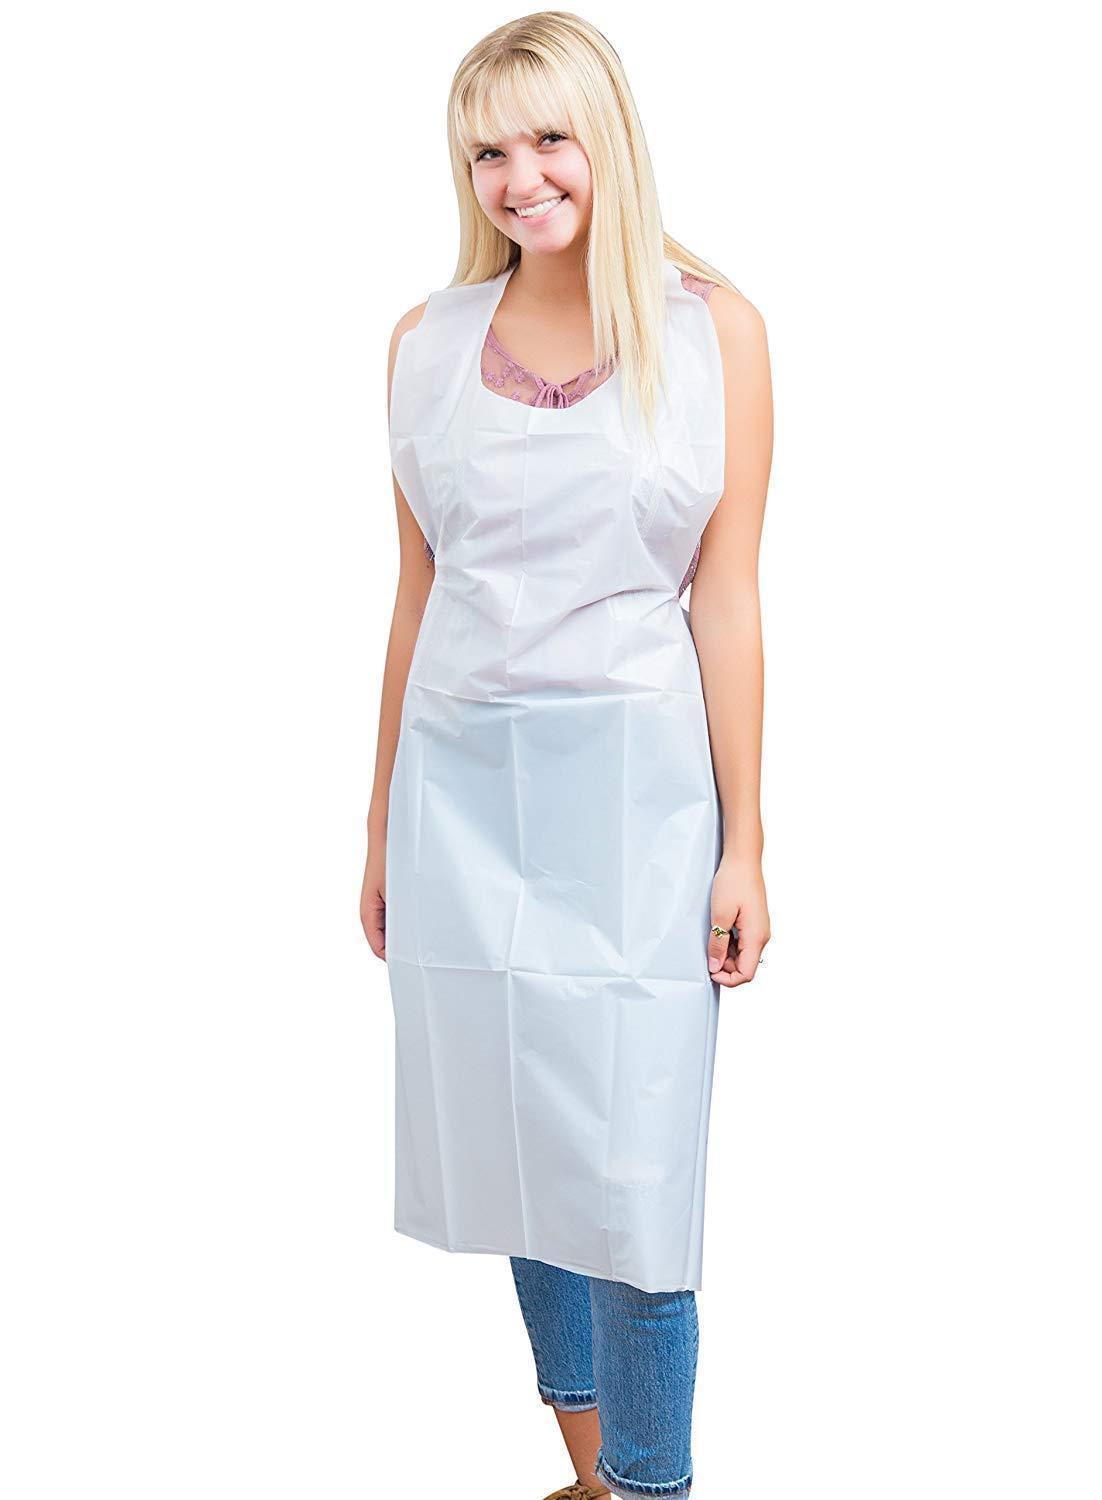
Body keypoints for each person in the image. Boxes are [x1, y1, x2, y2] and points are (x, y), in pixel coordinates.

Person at [360, 13, 773, 1498]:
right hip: (459, 790)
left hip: (639, 799)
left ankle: (652, 1491)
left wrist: (745, 842)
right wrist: (377, 832)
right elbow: (416, 595)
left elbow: (725, 596)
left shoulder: (711, 331)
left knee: (634, 1178)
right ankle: (591, 1476)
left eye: (548, 138)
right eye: (487, 150)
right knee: (519, 1148)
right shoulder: (425, 344)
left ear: (610, 140)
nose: (519, 177)